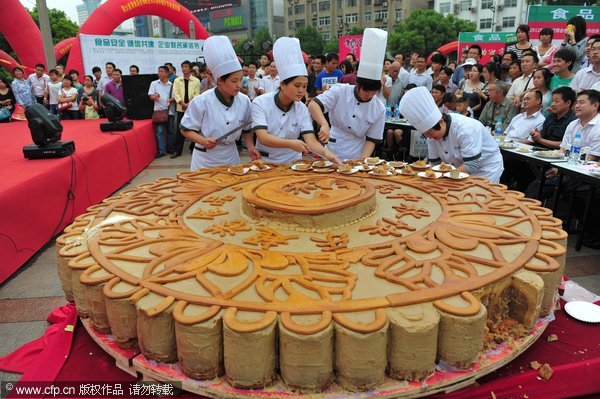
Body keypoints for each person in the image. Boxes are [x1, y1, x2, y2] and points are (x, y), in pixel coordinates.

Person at [252, 37, 339, 165]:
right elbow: (263, 138)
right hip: (265, 162)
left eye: (304, 87)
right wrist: (290, 144)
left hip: (294, 163)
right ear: (282, 85)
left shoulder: (302, 108)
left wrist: (327, 154)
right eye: (297, 85)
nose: (301, 91)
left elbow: (311, 141)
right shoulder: (260, 103)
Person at [180, 36, 258, 171]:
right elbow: (185, 129)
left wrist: (251, 147)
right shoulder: (202, 101)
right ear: (220, 80)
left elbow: (246, 129)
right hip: (206, 159)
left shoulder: (244, 101)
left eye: (240, 79)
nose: (238, 85)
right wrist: (202, 140)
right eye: (234, 81)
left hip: (231, 155)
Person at [309, 28, 387, 161]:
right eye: (365, 90)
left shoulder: (379, 108)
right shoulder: (340, 91)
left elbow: (371, 139)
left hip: (358, 151)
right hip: (334, 147)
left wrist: (361, 161)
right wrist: (324, 124)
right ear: (357, 83)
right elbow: (313, 104)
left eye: (373, 92)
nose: (369, 95)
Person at [399, 86, 504, 183]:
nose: (429, 138)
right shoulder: (430, 135)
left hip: (486, 168)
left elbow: (471, 165)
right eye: (425, 135)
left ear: (441, 122)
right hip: (458, 169)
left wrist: (444, 179)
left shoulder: (465, 128)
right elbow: (435, 164)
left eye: (430, 133)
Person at [171, 60, 201, 158]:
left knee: (193, 129)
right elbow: (176, 94)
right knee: (179, 130)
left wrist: (189, 104)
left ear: (190, 68)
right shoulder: (177, 80)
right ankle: (177, 151)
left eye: (186, 67)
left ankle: (193, 148)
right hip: (180, 108)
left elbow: (197, 95)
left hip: (192, 109)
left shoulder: (196, 80)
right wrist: (183, 103)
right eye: (182, 67)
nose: (184, 69)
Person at [148, 66, 173, 158]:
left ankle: (170, 148)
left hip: (170, 111)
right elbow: (150, 96)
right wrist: (154, 97)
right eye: (158, 71)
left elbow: (175, 97)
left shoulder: (171, 85)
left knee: (171, 131)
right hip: (158, 110)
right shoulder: (154, 83)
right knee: (160, 131)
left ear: (167, 73)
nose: (159, 73)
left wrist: (170, 100)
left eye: (161, 71)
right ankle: (162, 150)